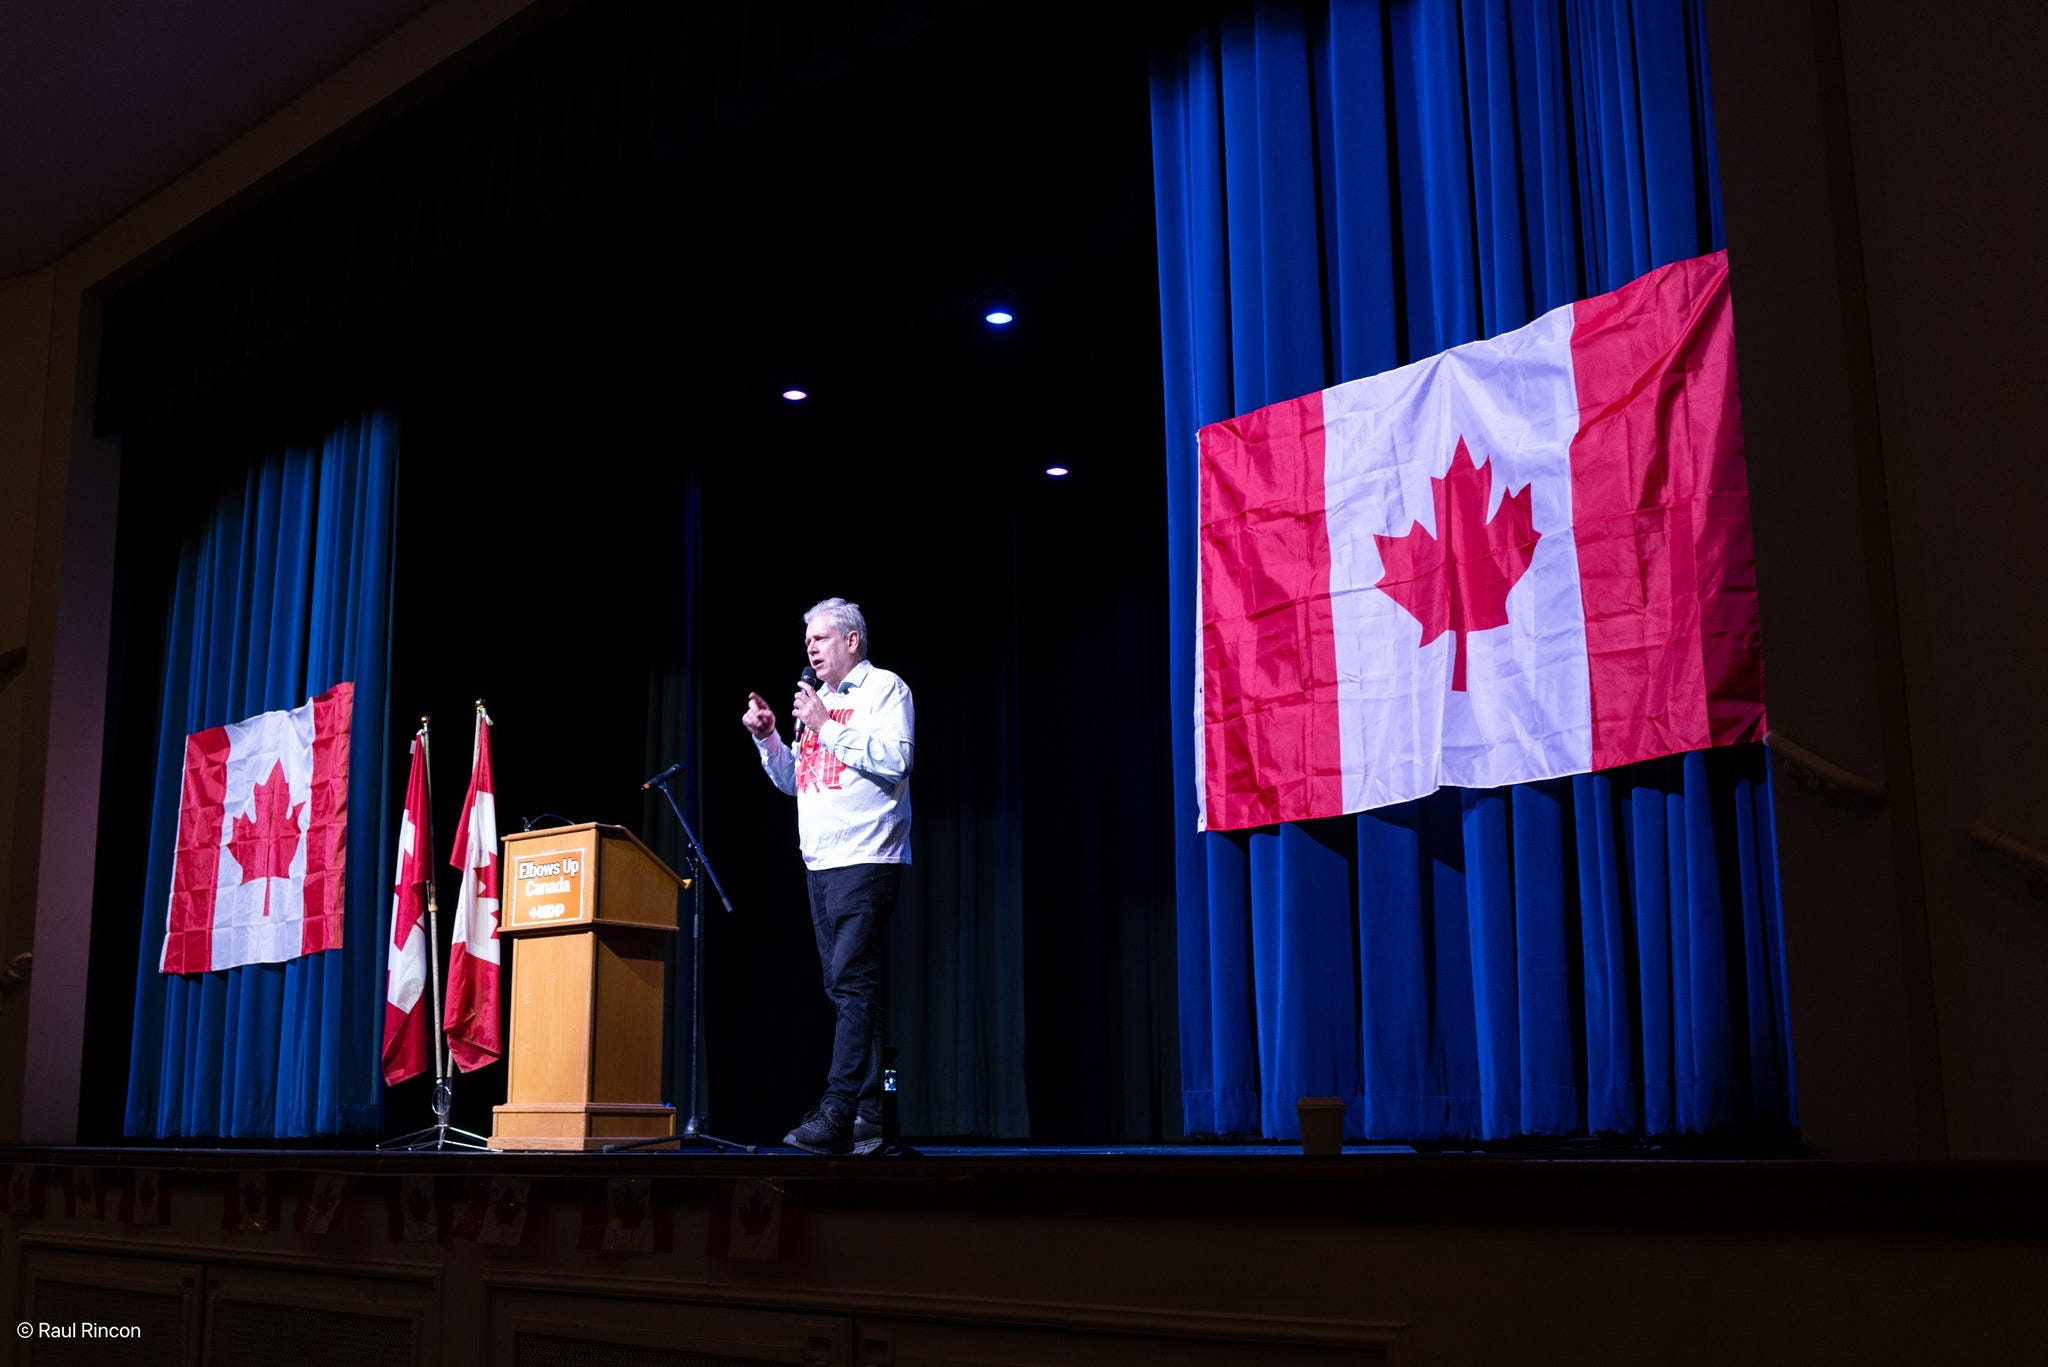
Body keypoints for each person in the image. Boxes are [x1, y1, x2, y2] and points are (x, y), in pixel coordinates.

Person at [742, 597, 914, 1155]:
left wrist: (826, 725)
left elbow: (897, 760)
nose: (811, 649)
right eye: (807, 642)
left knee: (852, 987)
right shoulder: (819, 702)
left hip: (867, 857)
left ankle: (838, 1110)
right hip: (821, 863)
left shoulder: (885, 689)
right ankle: (873, 1116)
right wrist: (770, 737)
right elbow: (799, 780)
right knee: (852, 992)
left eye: (820, 639)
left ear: (851, 641)